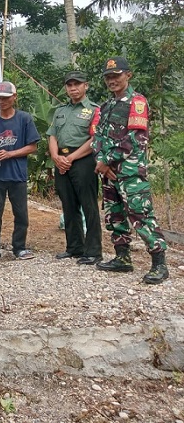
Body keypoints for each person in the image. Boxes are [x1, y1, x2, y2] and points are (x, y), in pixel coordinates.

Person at [93, 56, 169, 284]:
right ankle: (122, 258)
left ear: (128, 75)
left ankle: (159, 264)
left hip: (130, 172)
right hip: (108, 173)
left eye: (116, 76)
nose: (112, 81)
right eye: (108, 77)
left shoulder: (137, 102)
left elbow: (137, 138)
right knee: (114, 215)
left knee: (140, 215)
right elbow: (97, 137)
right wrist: (101, 162)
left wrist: (106, 160)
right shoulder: (106, 107)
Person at [0, 81, 40, 262]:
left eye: (5, 98)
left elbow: (32, 147)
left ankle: (19, 248)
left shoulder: (24, 119)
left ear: (14, 97)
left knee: (21, 214)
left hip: (18, 175)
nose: (1, 101)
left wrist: (10, 154)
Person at [47, 71, 103, 265]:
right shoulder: (60, 110)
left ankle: (94, 251)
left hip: (83, 160)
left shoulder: (94, 110)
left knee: (88, 205)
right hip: (61, 160)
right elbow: (52, 135)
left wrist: (70, 158)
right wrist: (55, 156)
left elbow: (95, 139)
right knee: (68, 205)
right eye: (69, 85)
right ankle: (74, 248)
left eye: (77, 84)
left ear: (85, 86)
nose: (73, 88)